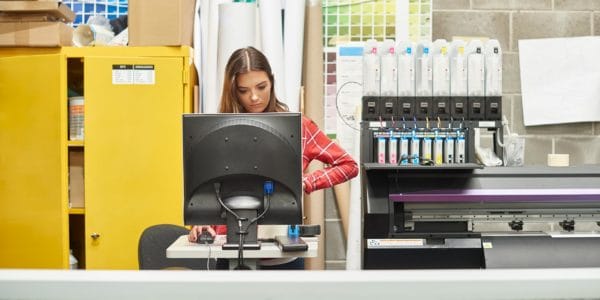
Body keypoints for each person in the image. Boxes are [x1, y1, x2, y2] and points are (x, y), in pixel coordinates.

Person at [188, 46, 358, 269]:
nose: (255, 97)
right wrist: (202, 224)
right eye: (243, 90)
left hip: (282, 256)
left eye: (261, 87)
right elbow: (210, 186)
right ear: (232, 91)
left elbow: (348, 165)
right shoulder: (216, 131)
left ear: (272, 82)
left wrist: (304, 183)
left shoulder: (298, 127)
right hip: (229, 252)